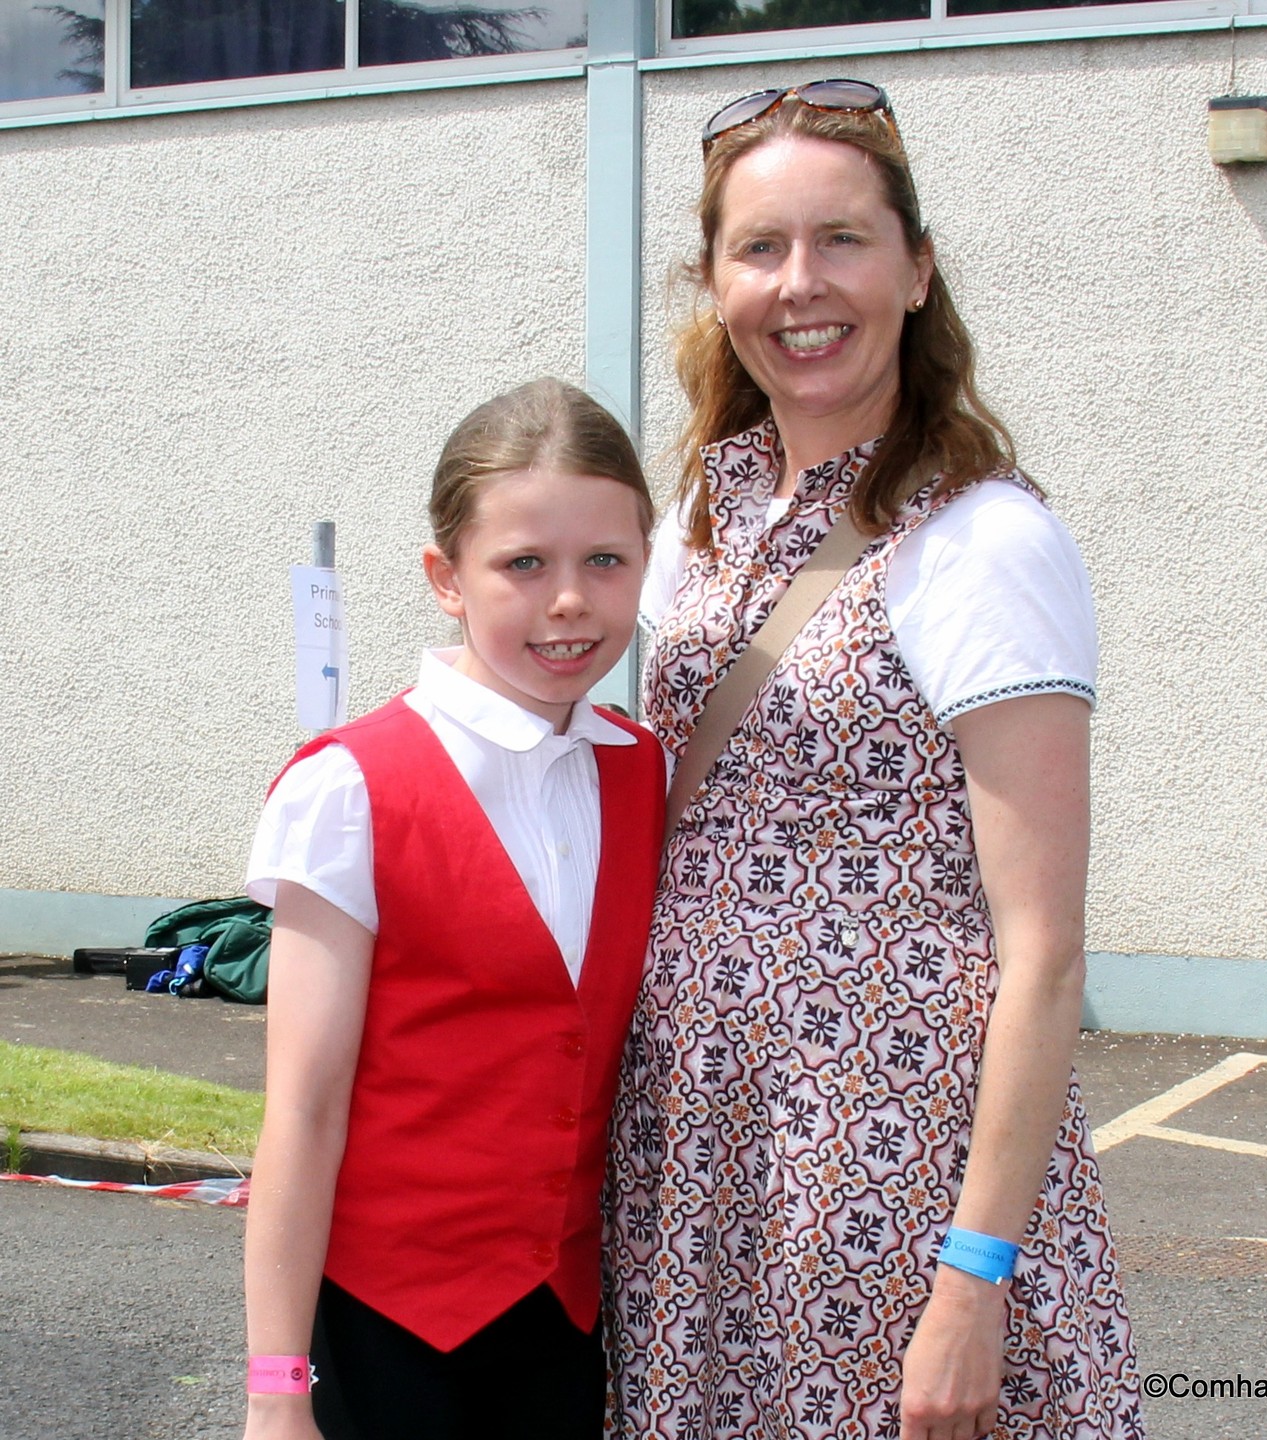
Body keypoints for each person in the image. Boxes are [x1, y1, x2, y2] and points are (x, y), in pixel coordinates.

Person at [605, 82, 1145, 1440]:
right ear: (715, 282)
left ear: (916, 269)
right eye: (761, 247)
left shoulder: (982, 541)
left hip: (892, 1182)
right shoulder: (705, 515)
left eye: (842, 239)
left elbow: (1044, 955)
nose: (802, 283)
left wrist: (975, 1277)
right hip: (702, 1166)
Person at [240, 377, 665, 1440]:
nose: (568, 602)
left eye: (604, 561)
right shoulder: (350, 789)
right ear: (446, 578)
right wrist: (276, 1390)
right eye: (523, 564)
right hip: (390, 1320)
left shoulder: (644, 771)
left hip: (565, 1320)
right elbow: (303, 1109)